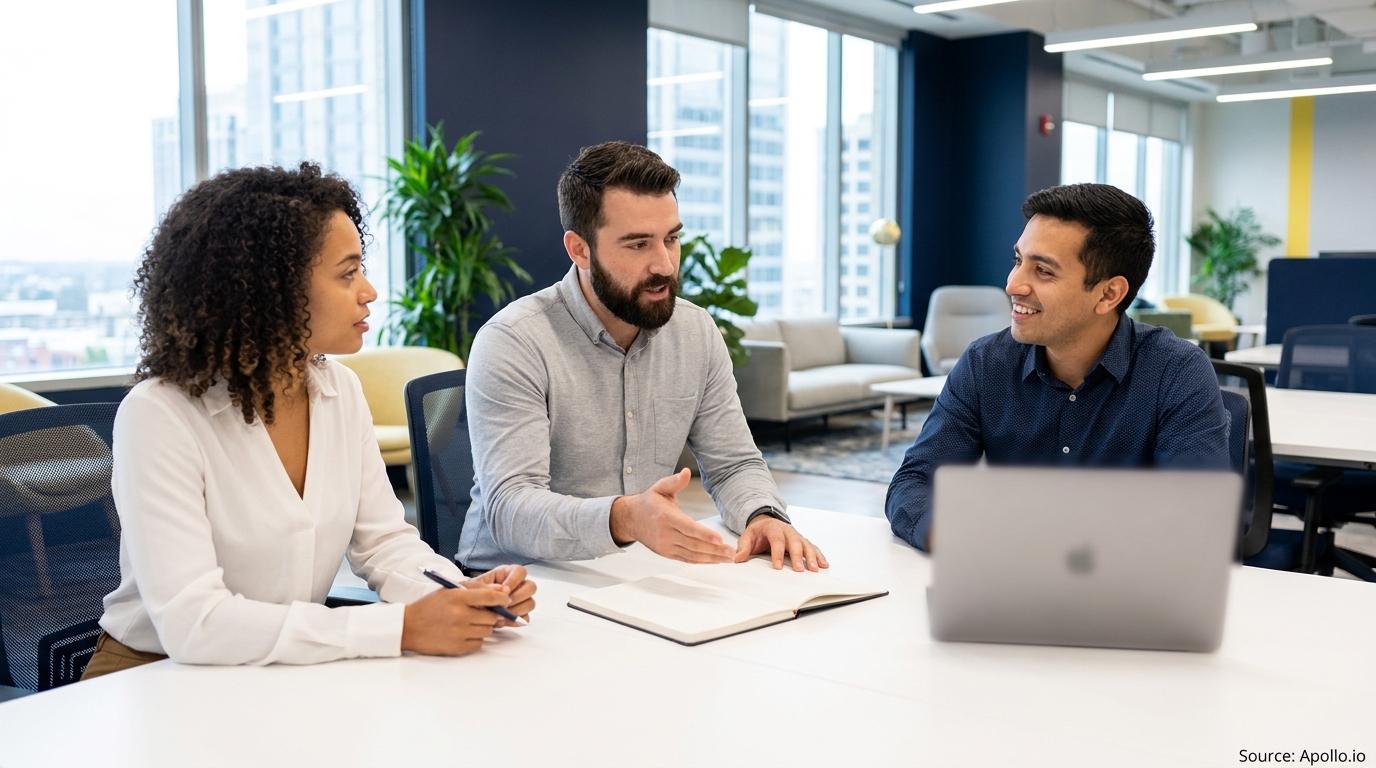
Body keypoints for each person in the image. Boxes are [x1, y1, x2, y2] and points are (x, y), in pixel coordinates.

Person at [86, 163, 536, 677]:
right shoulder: (160, 413)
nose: (368, 292)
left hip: (283, 667)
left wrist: (461, 593)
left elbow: (384, 542)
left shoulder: (338, 389)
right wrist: (403, 628)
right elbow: (195, 622)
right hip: (155, 673)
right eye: (347, 273)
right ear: (268, 290)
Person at [457, 141, 827, 572]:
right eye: (638, 245)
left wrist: (762, 515)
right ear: (579, 250)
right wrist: (625, 518)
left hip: (632, 575)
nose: (665, 265)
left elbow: (734, 464)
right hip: (515, 585)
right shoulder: (514, 341)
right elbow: (511, 511)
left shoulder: (695, 331)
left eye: (671, 239)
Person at [886, 183, 1230, 551]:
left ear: (1108, 294)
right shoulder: (986, 364)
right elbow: (914, 482)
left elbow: (1195, 516)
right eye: (1018, 260)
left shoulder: (1175, 372)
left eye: (1043, 271)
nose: (1013, 285)